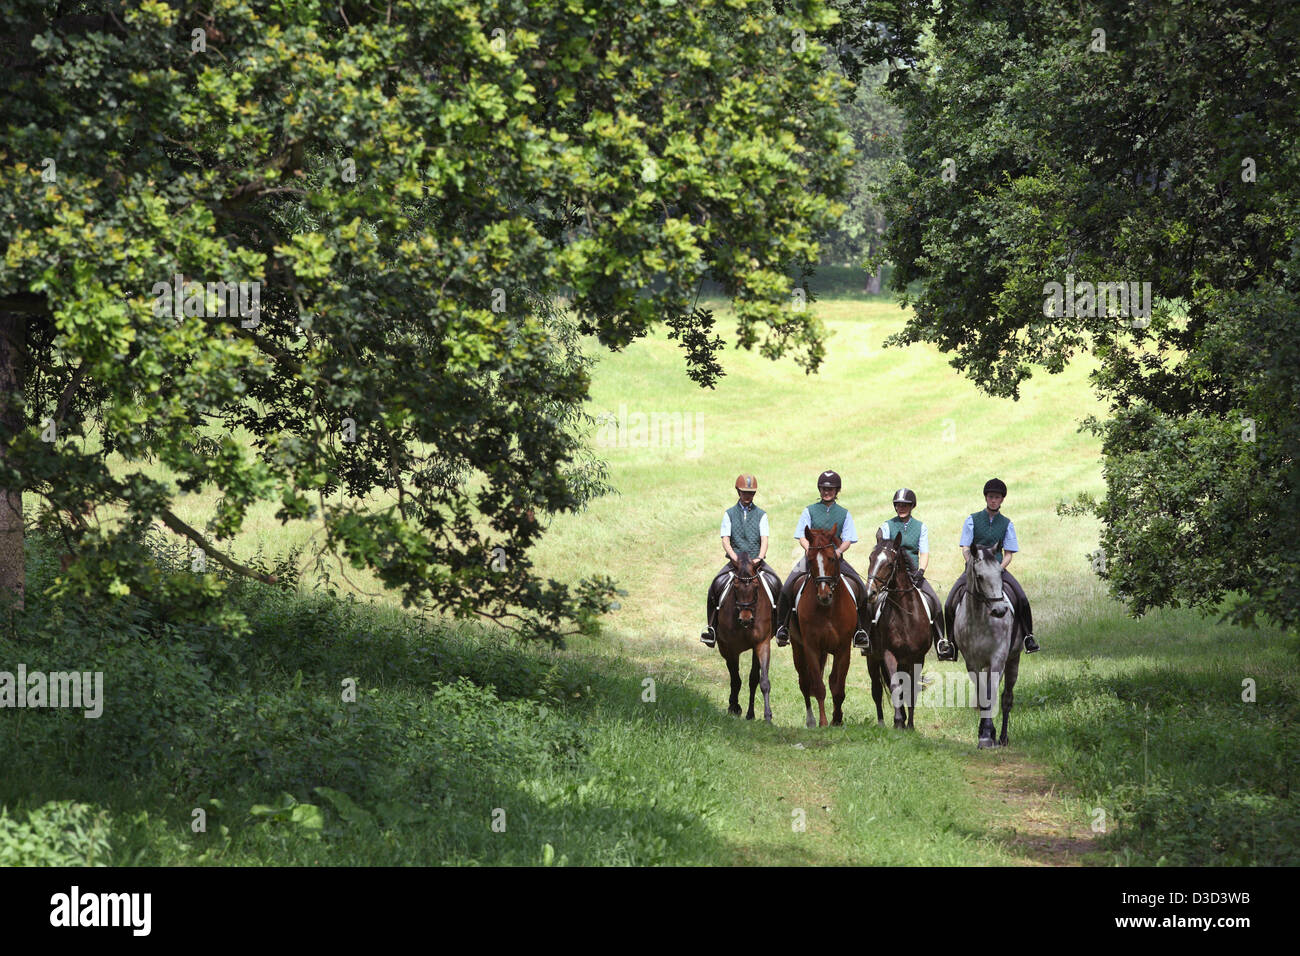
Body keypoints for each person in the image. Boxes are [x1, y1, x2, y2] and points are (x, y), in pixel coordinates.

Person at [940, 478, 1039, 661]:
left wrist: (997, 569)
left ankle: (1028, 637)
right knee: (949, 603)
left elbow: (1008, 554)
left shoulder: (1007, 524)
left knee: (1022, 598)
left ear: (1002, 500)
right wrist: (973, 565)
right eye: (991, 497)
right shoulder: (972, 520)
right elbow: (965, 548)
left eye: (997, 497)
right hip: (974, 571)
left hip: (997, 570)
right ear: (986, 498)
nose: (994, 500)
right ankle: (951, 644)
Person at [772, 470, 873, 651]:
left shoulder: (844, 513)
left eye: (831, 489)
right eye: (824, 488)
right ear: (819, 490)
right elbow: (801, 536)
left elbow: (849, 538)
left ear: (837, 490)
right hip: (811, 558)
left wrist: (839, 551)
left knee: (860, 588)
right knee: (787, 586)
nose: (827, 492)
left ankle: (861, 631)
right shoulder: (809, 510)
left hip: (834, 559)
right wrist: (809, 550)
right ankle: (783, 628)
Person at [701, 474, 782, 647]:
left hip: (756, 562)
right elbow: (725, 539)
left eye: (751, 493)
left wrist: (760, 557)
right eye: (745, 492)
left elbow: (764, 539)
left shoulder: (762, 515)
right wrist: (734, 557)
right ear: (738, 491)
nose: (748, 496)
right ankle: (711, 628)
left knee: (777, 584)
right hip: (735, 562)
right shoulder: (729, 514)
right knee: (715, 586)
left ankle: (781, 627)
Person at [867, 488, 946, 654]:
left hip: (913, 575)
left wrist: (921, 571)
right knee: (868, 601)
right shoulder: (887, 525)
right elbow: (882, 548)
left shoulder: (920, 527)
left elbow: (924, 552)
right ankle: (867, 637)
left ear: (912, 506)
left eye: (905, 505)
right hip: (890, 575)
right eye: (898, 505)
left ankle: (941, 642)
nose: (901, 508)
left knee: (936, 604)